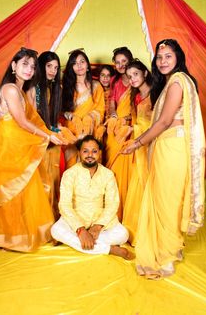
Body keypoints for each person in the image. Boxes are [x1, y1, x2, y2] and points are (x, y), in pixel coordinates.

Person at [122, 39, 205, 278]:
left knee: (166, 199)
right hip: (169, 146)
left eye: (168, 56)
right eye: (159, 57)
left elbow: (165, 121)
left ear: (178, 57)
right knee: (168, 197)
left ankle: (166, 255)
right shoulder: (175, 82)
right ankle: (173, 247)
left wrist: (137, 142)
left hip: (171, 147)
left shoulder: (178, 82)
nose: (163, 61)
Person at [0, 47, 66, 252]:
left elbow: (33, 120)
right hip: (8, 147)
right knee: (10, 192)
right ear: (14, 66)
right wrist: (47, 135)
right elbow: (21, 121)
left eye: (31, 66)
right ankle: (7, 239)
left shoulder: (21, 90)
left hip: (17, 146)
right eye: (24, 64)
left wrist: (51, 131)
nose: (29, 69)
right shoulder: (10, 89)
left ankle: (18, 237)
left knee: (22, 191)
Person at [51, 135, 133, 259]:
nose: (90, 155)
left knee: (123, 234)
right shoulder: (70, 174)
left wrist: (97, 226)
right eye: (85, 151)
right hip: (76, 220)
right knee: (56, 230)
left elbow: (112, 204)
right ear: (79, 153)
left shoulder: (108, 174)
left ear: (99, 153)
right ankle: (109, 249)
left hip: (100, 222)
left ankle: (81, 242)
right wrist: (81, 230)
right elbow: (64, 205)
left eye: (94, 151)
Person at [26, 51, 75, 219]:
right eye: (49, 66)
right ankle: (39, 219)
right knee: (42, 180)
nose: (53, 70)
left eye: (56, 67)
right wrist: (50, 132)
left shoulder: (55, 88)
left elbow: (53, 118)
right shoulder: (33, 89)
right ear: (41, 66)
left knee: (55, 173)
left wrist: (58, 127)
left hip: (50, 136)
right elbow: (31, 120)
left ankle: (51, 215)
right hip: (36, 137)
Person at [122, 60, 153, 246]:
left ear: (145, 73)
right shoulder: (135, 96)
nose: (132, 79)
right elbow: (136, 120)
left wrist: (133, 129)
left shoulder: (156, 94)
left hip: (151, 145)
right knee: (138, 182)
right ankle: (136, 229)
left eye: (135, 74)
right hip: (138, 146)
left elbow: (159, 124)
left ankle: (150, 229)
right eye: (129, 76)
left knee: (149, 182)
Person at [61, 49, 105, 168]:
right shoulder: (65, 86)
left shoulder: (96, 86)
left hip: (91, 130)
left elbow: (101, 110)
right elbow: (62, 110)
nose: (79, 65)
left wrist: (89, 118)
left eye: (82, 62)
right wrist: (72, 117)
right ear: (71, 67)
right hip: (71, 131)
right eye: (75, 63)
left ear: (87, 65)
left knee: (90, 167)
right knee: (72, 168)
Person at [105, 47, 134, 219]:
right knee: (113, 171)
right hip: (115, 128)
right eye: (118, 62)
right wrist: (115, 115)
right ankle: (112, 213)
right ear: (114, 65)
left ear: (130, 61)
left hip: (130, 128)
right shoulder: (115, 82)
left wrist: (127, 120)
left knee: (126, 169)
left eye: (124, 61)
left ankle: (126, 212)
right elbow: (112, 103)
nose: (121, 65)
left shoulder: (136, 80)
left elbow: (140, 107)